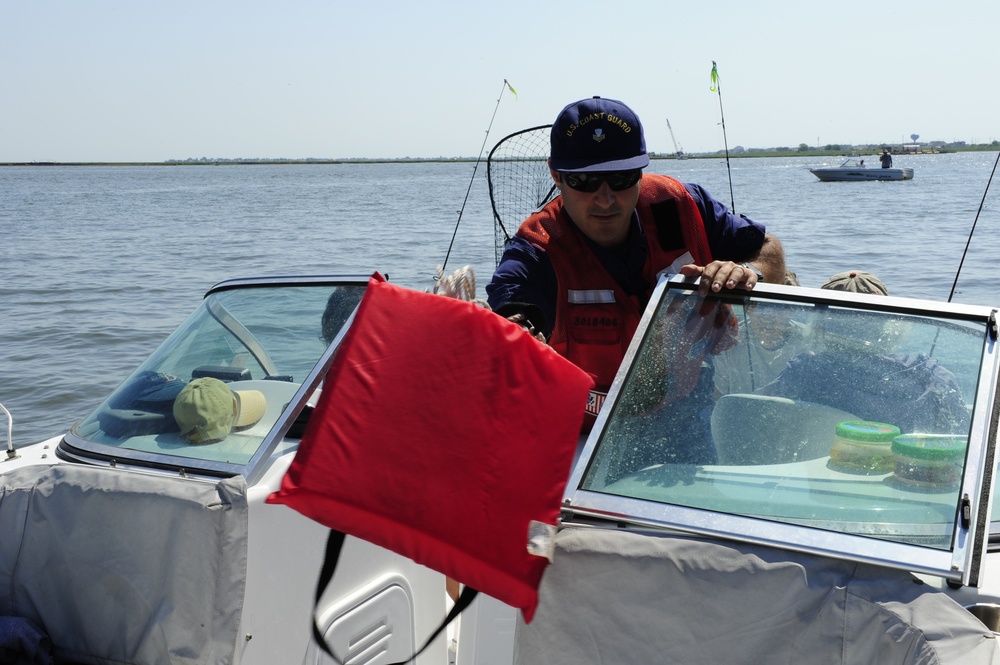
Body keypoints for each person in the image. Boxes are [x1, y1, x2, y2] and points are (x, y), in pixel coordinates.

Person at [486, 96, 786, 424]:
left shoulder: (681, 206)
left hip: (686, 411)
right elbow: (512, 299)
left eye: (622, 178)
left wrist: (747, 272)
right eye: (583, 181)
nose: (605, 198)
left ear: (641, 170)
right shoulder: (538, 248)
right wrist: (516, 328)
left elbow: (767, 247)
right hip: (581, 431)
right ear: (556, 175)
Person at [756, 271, 968, 435]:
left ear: (820, 324)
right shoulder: (933, 378)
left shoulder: (803, 374)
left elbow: (750, 411)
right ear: (886, 324)